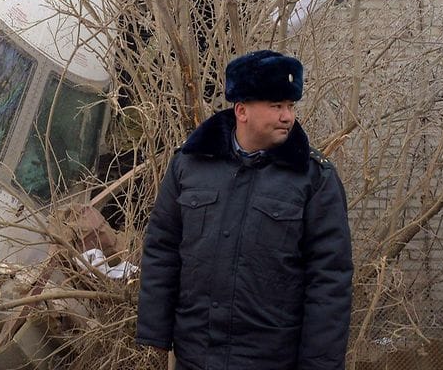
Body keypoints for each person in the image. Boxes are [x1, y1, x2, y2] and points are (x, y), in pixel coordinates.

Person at [136, 50, 353, 370]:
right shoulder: (191, 164)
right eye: (276, 105)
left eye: (290, 106)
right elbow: (162, 248)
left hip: (271, 358)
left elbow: (330, 279)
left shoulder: (314, 178)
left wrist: (320, 364)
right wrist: (155, 333)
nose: (287, 116)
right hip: (196, 354)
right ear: (242, 110)